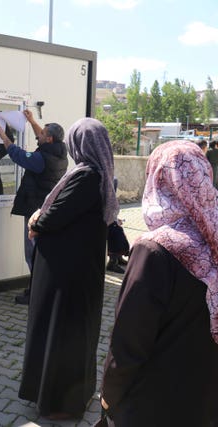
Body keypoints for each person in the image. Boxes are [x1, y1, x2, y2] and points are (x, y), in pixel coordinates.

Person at [100, 140, 218, 426]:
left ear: (159, 179)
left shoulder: (155, 251)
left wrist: (109, 394)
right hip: (204, 400)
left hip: (153, 403)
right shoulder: (213, 236)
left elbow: (129, 340)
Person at [18, 117, 119, 419]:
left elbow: (56, 216)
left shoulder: (87, 175)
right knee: (73, 332)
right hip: (77, 268)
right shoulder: (99, 174)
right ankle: (67, 395)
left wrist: (36, 221)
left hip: (65, 273)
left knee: (60, 333)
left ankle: (59, 402)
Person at [0, 109, 68, 305]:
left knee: (32, 252)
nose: (39, 135)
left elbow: (19, 155)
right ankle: (45, 290)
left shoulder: (41, 159)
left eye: (42, 134)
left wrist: (4, 137)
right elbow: (41, 137)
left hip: (35, 210)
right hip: (47, 210)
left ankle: (37, 293)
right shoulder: (59, 152)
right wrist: (32, 121)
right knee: (42, 251)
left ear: (50, 139)